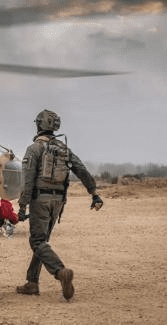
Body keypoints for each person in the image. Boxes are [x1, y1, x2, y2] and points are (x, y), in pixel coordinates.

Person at [17, 110, 104, 300]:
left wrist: (22, 206)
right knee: (42, 243)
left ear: (39, 125)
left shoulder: (34, 149)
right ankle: (32, 282)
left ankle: (60, 271)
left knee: (37, 242)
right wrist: (94, 194)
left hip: (40, 200)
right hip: (58, 202)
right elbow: (81, 170)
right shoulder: (64, 149)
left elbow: (28, 181)